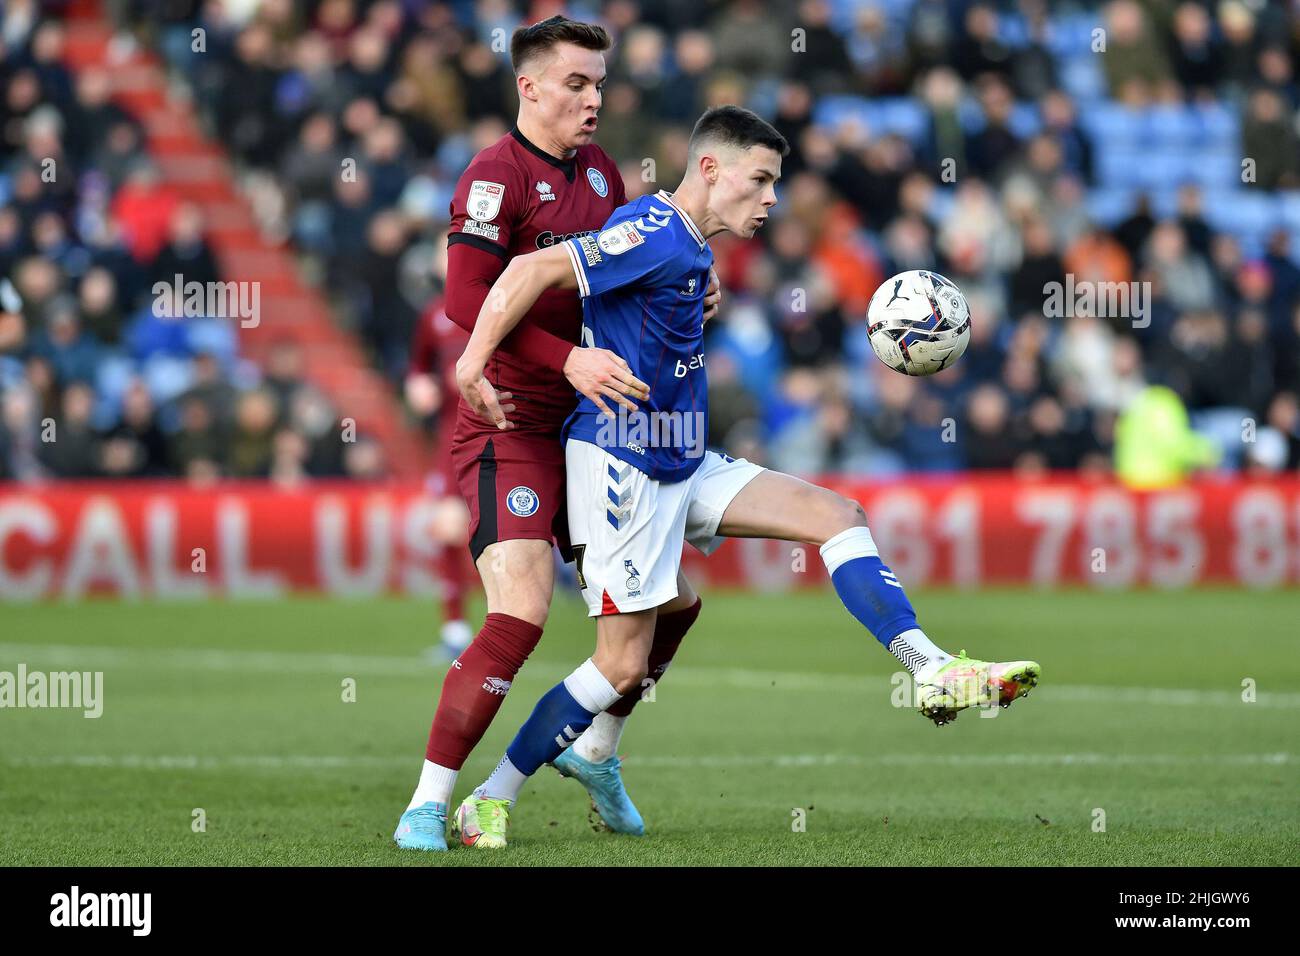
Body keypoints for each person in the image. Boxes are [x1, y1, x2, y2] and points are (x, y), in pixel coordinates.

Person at [452, 106, 1041, 848]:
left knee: (839, 515)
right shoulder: (656, 233)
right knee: (619, 665)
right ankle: (490, 796)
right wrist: (474, 360)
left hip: (683, 454)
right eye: (760, 180)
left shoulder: (687, 245)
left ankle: (927, 668)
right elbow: (531, 267)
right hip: (622, 463)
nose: (770, 199)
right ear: (709, 170)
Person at [393, 16, 719, 852]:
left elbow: (621, 278)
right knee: (522, 612)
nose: (593, 100)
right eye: (575, 83)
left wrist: (686, 295)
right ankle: (430, 803)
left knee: (676, 601)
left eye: (599, 84)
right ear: (528, 87)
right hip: (511, 423)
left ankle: (597, 748)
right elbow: (465, 304)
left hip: (596, 428)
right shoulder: (494, 179)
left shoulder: (605, 174)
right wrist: (565, 358)